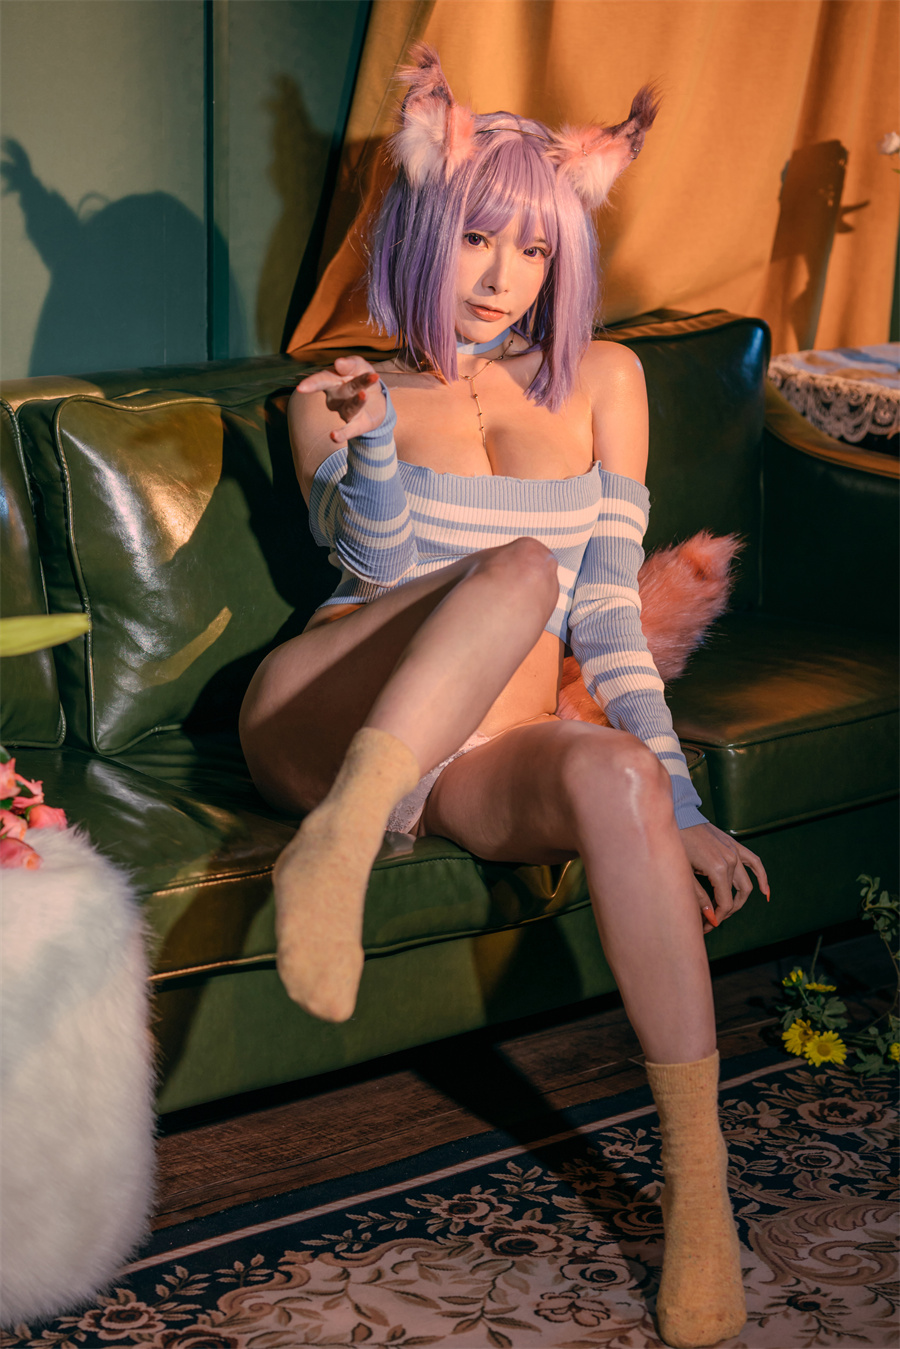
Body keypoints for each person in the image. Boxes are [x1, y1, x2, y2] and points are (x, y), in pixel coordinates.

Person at [240, 45, 767, 1349]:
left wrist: (682, 804)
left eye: (533, 249)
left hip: (479, 764)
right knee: (521, 565)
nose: (500, 277)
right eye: (476, 238)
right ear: (426, 232)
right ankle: (338, 839)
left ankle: (698, 1191)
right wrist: (369, 441)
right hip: (324, 715)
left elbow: (609, 617)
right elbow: (368, 568)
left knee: (616, 775)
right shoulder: (334, 393)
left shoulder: (607, 382)